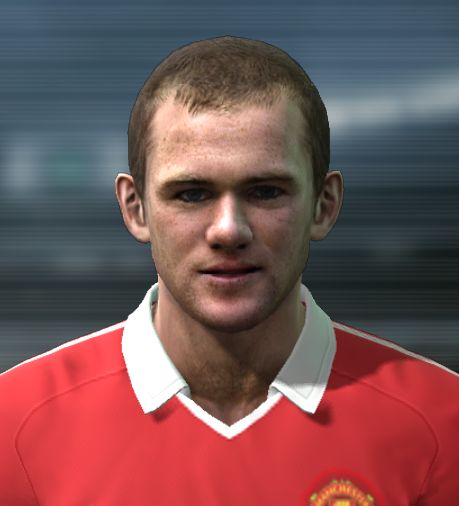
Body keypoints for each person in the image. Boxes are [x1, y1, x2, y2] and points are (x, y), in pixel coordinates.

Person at [0, 36, 458, 505]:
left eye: (266, 191)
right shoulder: (13, 425)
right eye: (192, 194)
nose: (228, 230)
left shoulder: (443, 423)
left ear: (324, 204)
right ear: (135, 208)